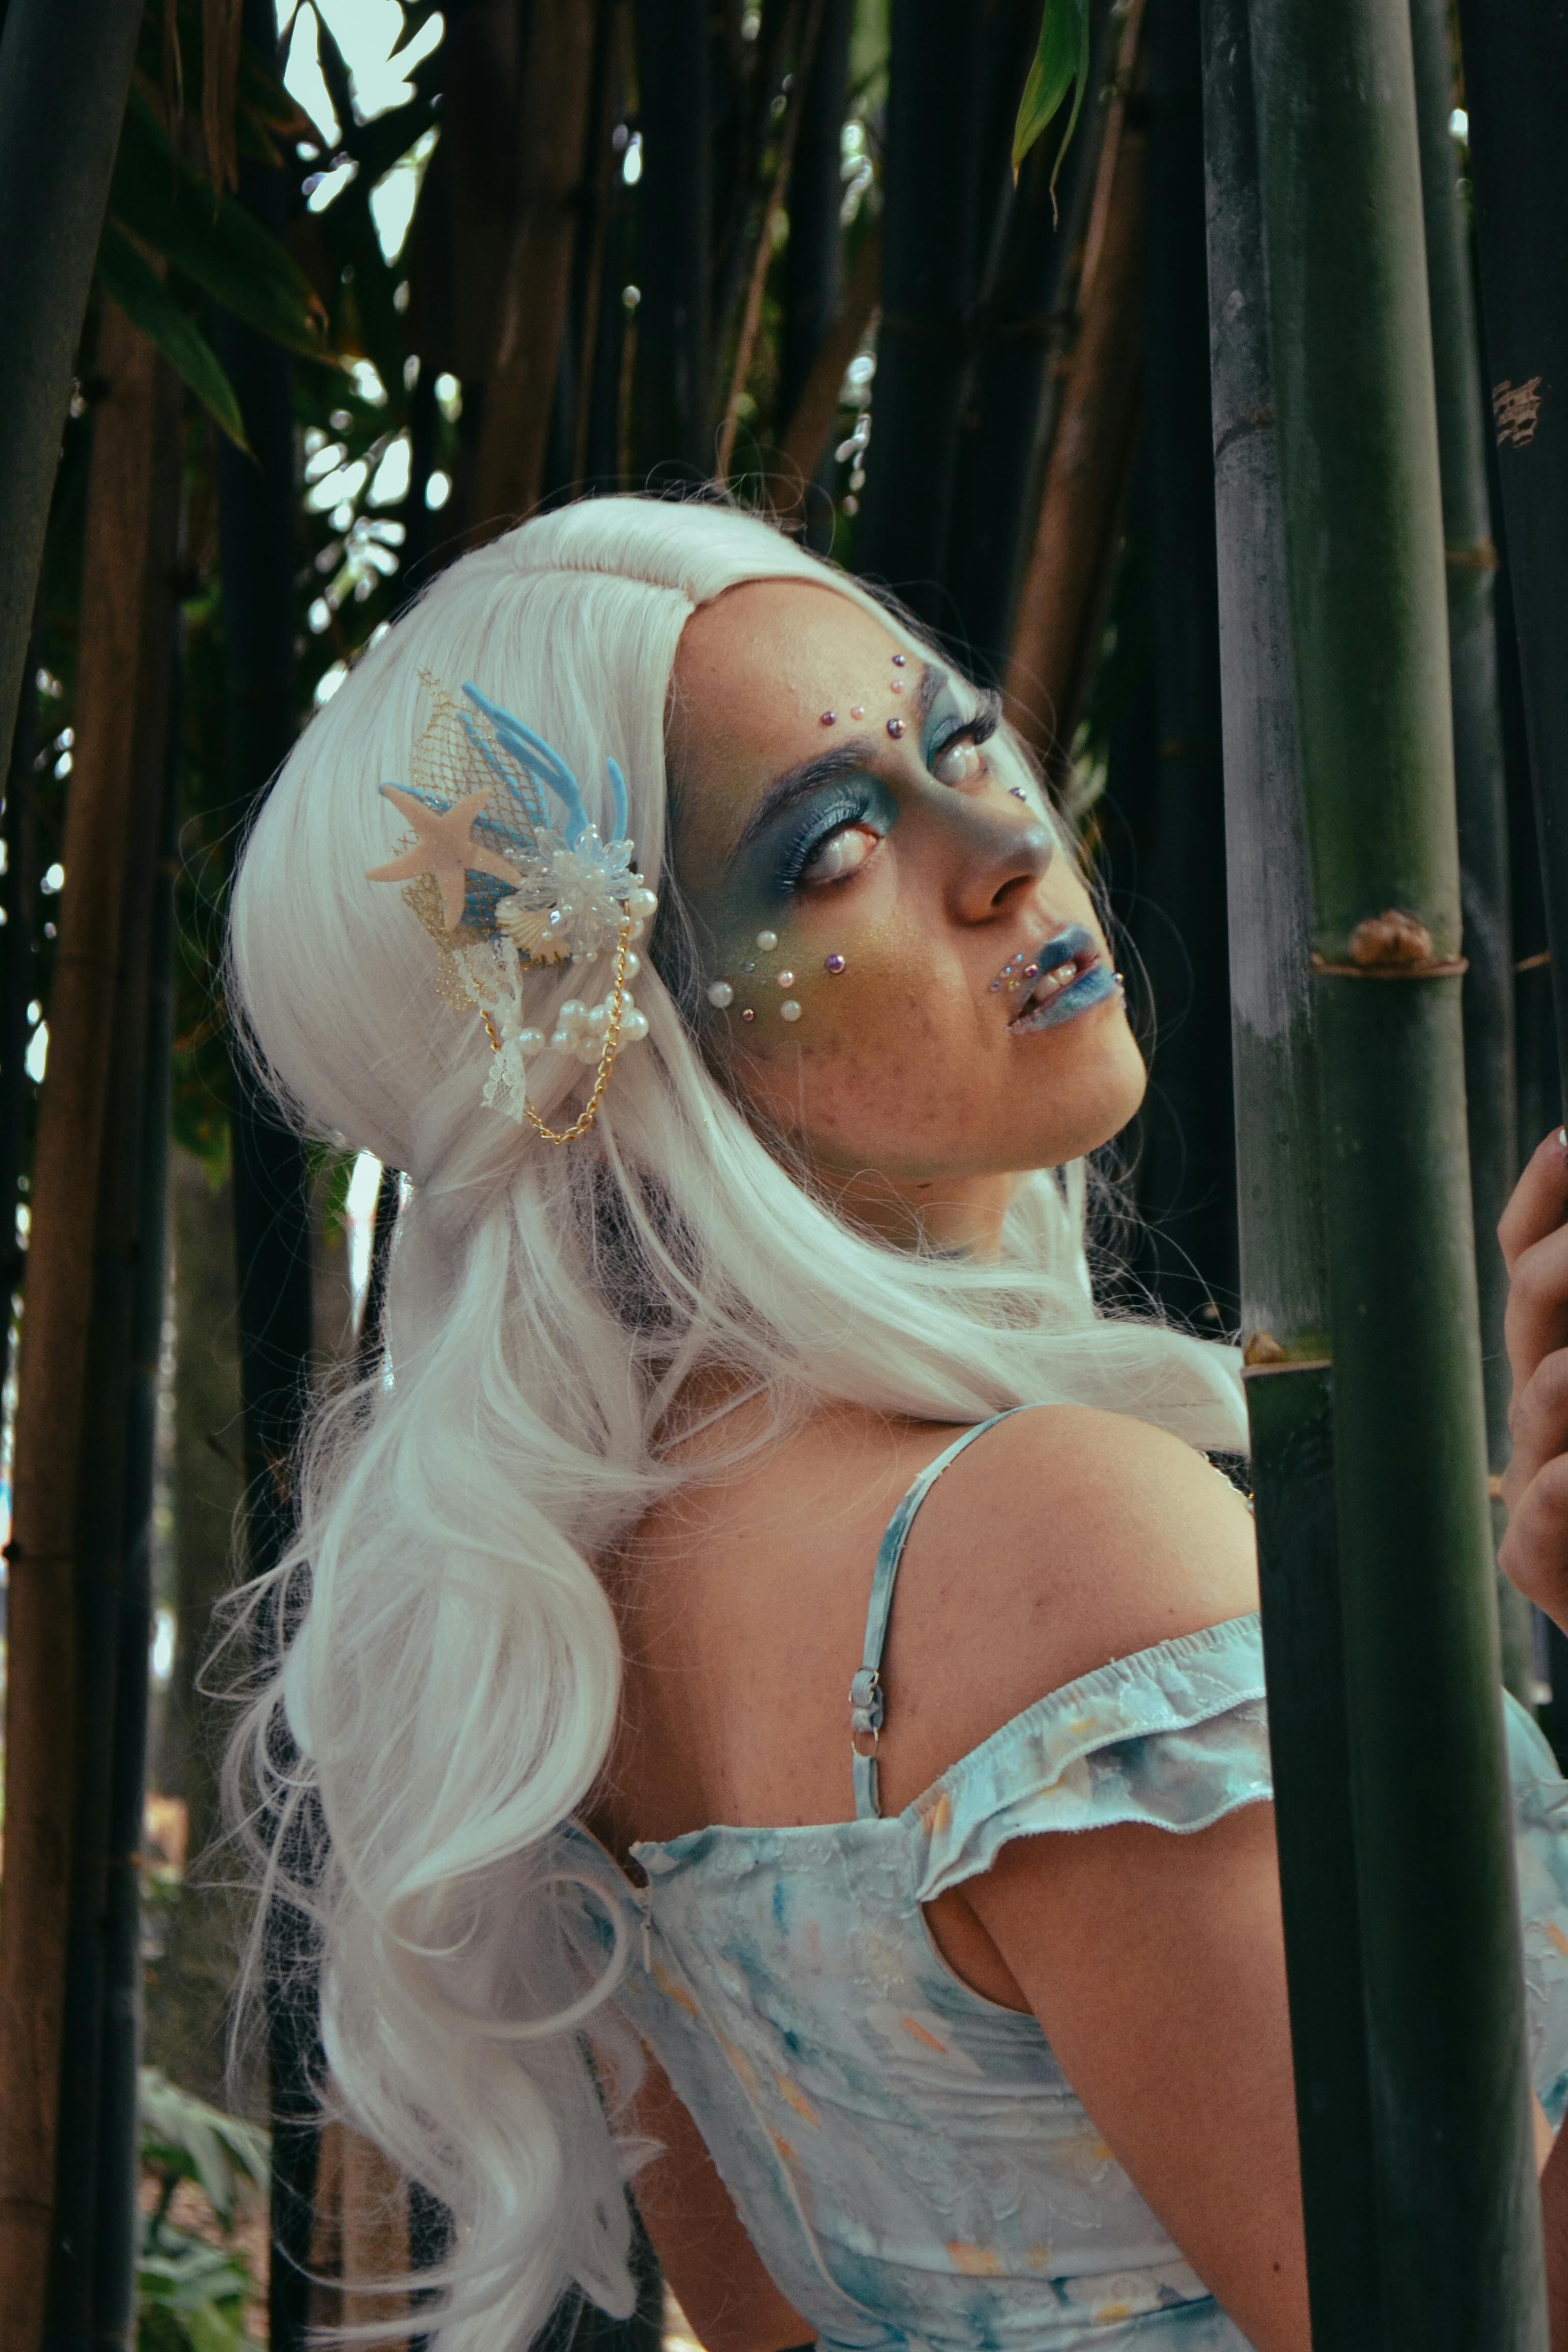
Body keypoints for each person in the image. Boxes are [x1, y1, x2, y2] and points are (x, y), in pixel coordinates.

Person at [225, 494, 1568, 2352]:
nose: (1010, 850)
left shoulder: (587, 1648)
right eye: (838, 845)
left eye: (963, 743)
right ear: (624, 1028)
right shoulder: (1047, 1542)